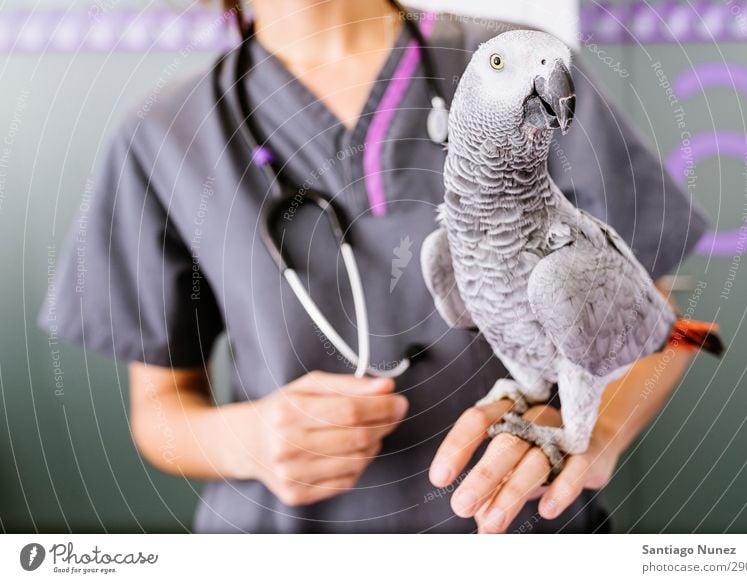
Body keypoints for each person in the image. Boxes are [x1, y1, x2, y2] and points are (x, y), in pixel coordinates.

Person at [40, 0, 708, 533]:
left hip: (522, 530)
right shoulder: (162, 135)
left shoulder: (516, 66)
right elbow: (159, 411)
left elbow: (654, 321)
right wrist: (248, 440)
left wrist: (595, 434)